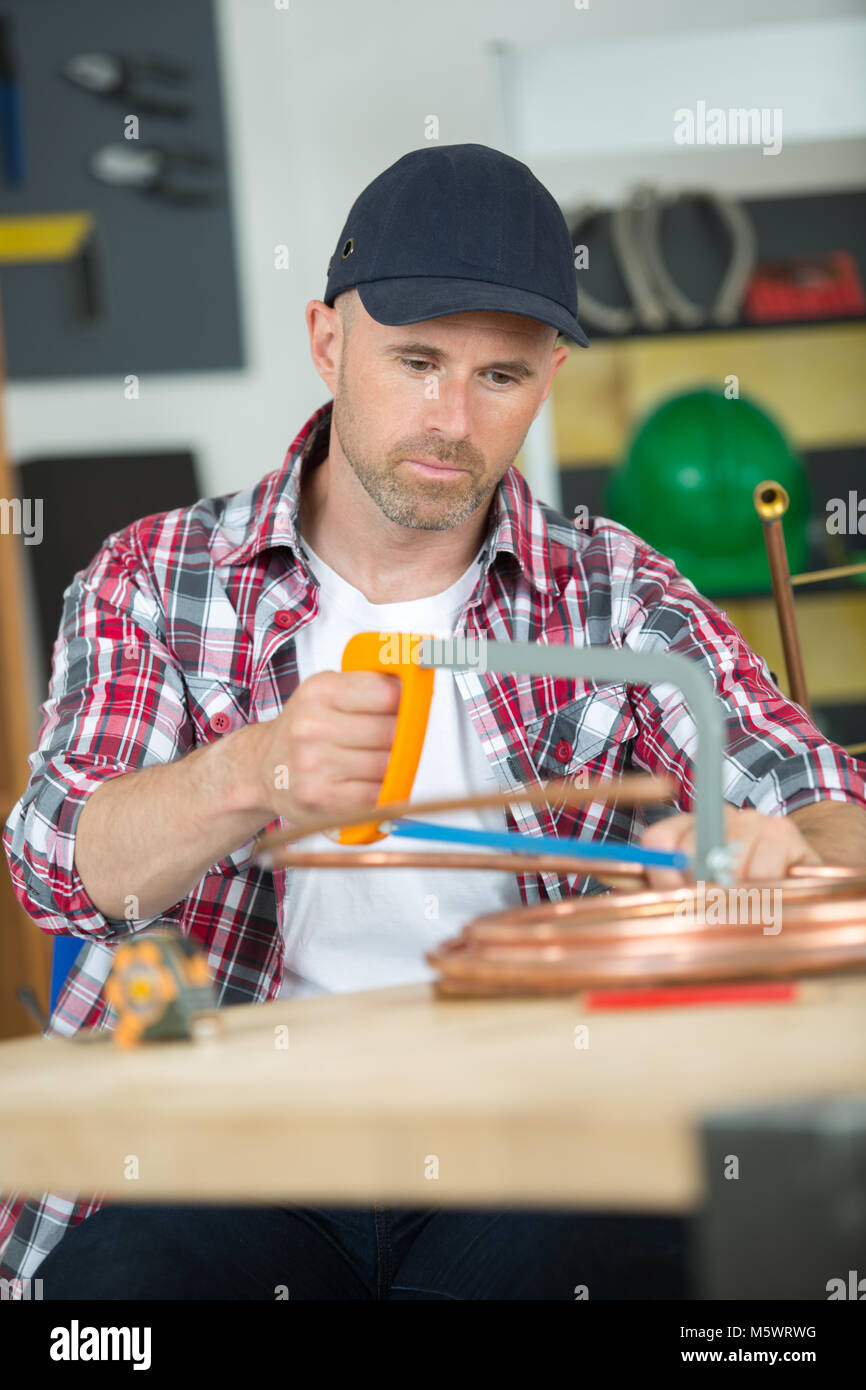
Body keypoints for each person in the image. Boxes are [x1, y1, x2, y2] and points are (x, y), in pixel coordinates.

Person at [3, 143, 865, 1300]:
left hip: (530, 1146)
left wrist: (785, 857)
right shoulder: (155, 576)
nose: (450, 418)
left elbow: (826, 802)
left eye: (498, 375)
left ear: (549, 377)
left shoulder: (615, 591)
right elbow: (56, 873)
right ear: (327, 342)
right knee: (110, 1307)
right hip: (223, 1142)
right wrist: (248, 772)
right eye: (415, 361)